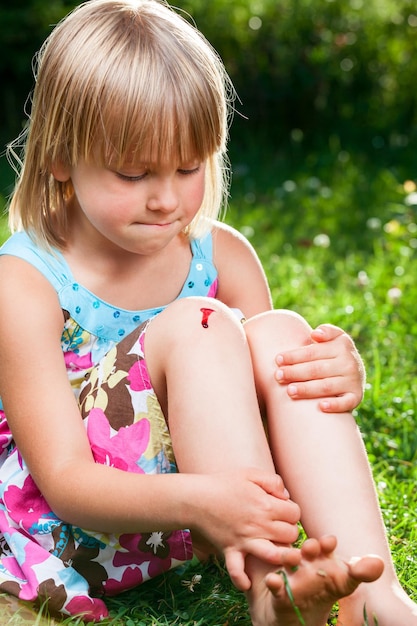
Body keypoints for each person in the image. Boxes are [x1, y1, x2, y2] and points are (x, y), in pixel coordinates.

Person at [0, 1, 415, 624]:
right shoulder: (23, 280)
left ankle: (375, 597)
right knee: (199, 325)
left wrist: (335, 377)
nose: (167, 198)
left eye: (188, 167)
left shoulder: (221, 255)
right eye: (134, 172)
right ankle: (269, 587)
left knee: (279, 336)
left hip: (209, 515)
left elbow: (263, 419)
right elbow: (64, 480)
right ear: (60, 158)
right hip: (74, 530)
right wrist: (203, 500)